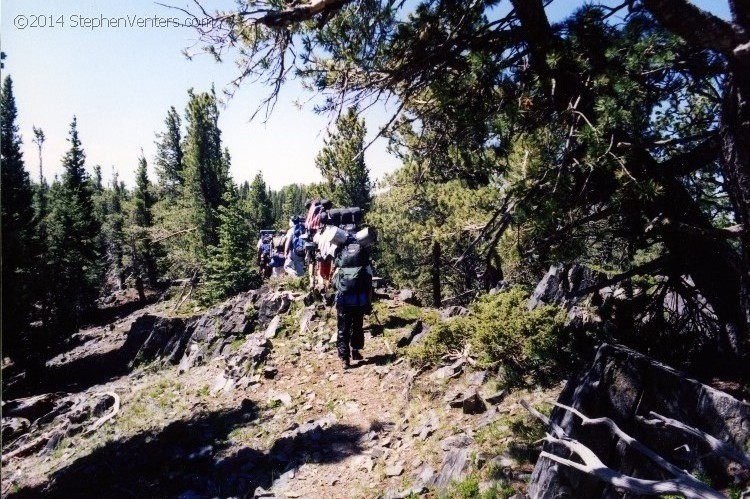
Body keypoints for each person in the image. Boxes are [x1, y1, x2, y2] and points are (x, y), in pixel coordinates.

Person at [332, 235, 372, 369]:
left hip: (344, 298)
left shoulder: (340, 252)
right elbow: (369, 278)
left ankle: (344, 359)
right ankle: (355, 351)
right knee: (357, 325)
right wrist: (368, 301)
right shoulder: (363, 252)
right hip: (359, 297)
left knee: (343, 328)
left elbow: (334, 281)